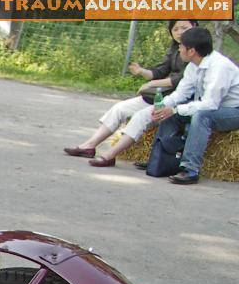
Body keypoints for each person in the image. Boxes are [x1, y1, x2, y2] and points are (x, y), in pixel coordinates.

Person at [65, 19, 196, 164]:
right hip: (161, 96)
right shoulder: (175, 49)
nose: (179, 32)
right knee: (119, 108)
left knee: (140, 117)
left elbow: (181, 79)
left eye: (184, 28)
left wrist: (151, 84)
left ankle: (110, 155)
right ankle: (89, 146)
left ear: (195, 27)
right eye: (175, 29)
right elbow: (160, 71)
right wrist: (141, 71)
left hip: (178, 102)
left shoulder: (196, 51)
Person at [148, 26, 239, 185]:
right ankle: (160, 159)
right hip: (213, 106)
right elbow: (181, 94)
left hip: (233, 111)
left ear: (192, 51)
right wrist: (164, 107)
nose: (179, 49)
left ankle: (190, 169)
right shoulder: (193, 66)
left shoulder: (219, 67)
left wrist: (175, 109)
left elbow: (210, 105)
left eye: (181, 46)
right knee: (171, 113)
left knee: (201, 116)